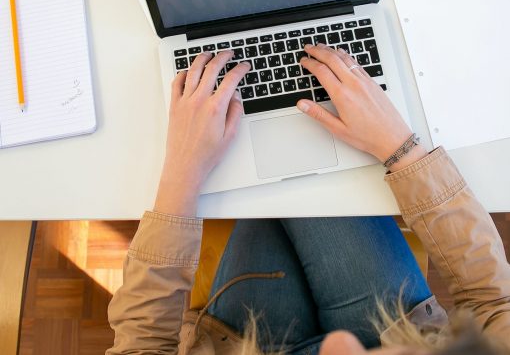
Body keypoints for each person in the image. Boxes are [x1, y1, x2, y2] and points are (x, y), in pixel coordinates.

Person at [106, 44, 510, 355]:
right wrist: (402, 150)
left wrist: (181, 171)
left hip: (237, 342)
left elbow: (141, 347)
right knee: (296, 186)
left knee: (269, 194)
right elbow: (496, 300)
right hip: (400, 322)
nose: (336, 344)